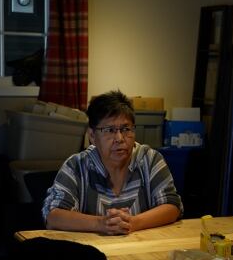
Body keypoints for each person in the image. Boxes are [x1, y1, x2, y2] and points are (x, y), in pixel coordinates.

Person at [42, 90, 183, 234]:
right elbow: (53, 216)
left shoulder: (150, 160)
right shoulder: (76, 166)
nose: (120, 138)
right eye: (110, 130)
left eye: (126, 129)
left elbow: (172, 206)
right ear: (92, 135)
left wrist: (133, 223)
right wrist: (101, 224)